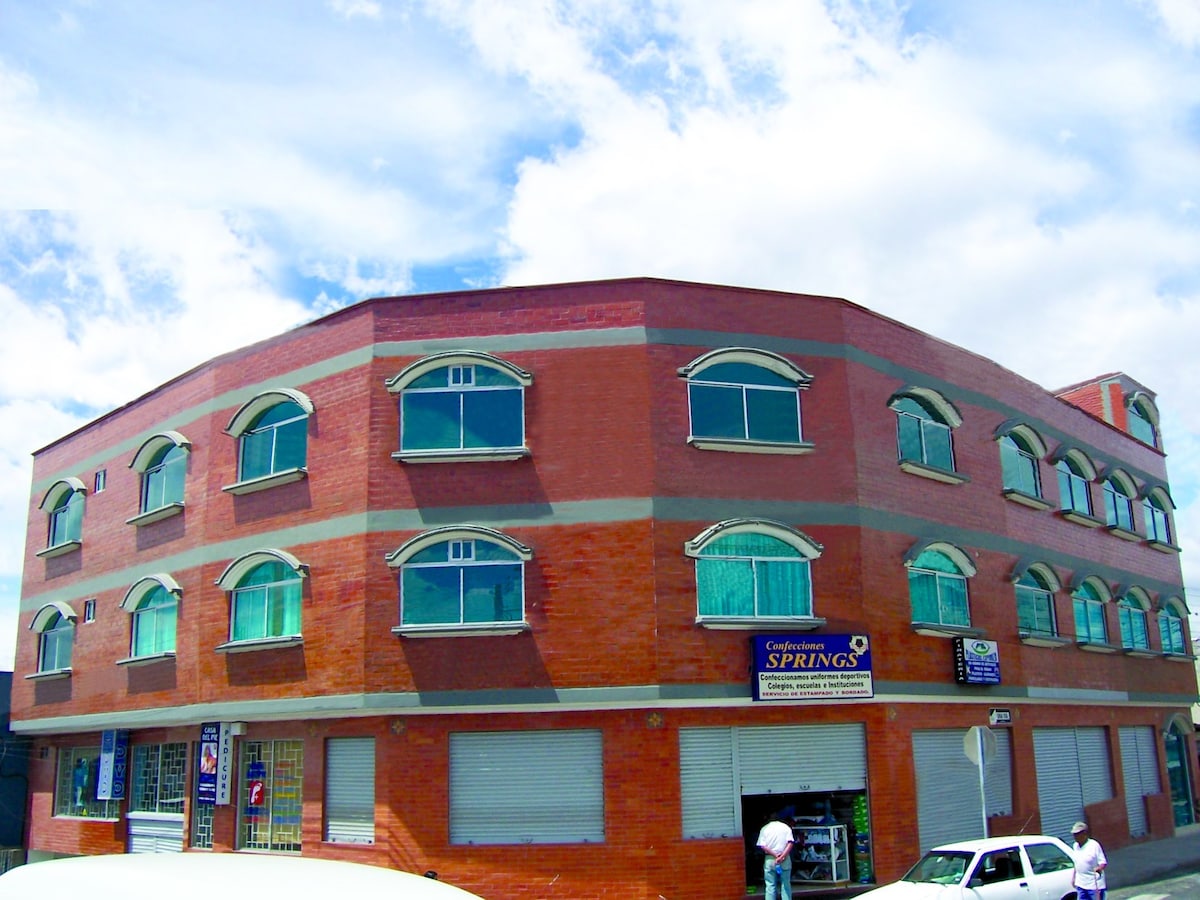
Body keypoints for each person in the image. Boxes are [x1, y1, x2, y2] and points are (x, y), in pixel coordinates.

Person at [756, 813, 794, 900]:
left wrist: (774, 855)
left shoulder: (764, 829)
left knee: (770, 885)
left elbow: (762, 846)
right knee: (785, 884)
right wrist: (782, 856)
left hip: (770, 859)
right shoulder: (785, 827)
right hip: (784, 858)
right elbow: (790, 842)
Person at [1070, 821, 1107, 900]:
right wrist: (1074, 878)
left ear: (1084, 833)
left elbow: (1103, 862)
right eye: (1074, 834)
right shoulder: (1075, 846)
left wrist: (1099, 868)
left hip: (1094, 885)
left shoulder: (1094, 845)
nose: (1075, 836)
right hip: (1081, 884)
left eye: (1077, 834)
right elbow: (1077, 864)